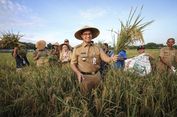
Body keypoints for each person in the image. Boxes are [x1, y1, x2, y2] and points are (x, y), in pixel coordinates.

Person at [70, 26, 118, 94]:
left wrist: (111, 59)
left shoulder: (97, 48)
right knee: (85, 97)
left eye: (89, 34)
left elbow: (106, 58)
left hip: (97, 76)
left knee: (98, 96)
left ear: (92, 35)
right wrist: (78, 73)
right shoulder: (77, 49)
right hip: (84, 77)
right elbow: (72, 64)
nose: (88, 36)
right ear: (82, 36)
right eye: (85, 34)